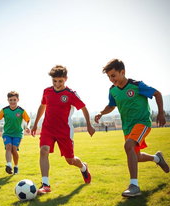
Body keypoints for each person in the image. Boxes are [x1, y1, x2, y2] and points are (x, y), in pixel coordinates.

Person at [95, 59, 169, 197]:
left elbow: (157, 93)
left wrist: (160, 112)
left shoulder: (137, 85)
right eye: (109, 77)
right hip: (127, 127)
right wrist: (101, 113)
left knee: (128, 146)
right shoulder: (113, 90)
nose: (111, 79)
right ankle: (157, 158)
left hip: (142, 123)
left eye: (113, 75)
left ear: (122, 72)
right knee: (137, 156)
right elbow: (111, 106)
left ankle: (134, 186)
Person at [31, 65, 95, 194]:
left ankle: (83, 167)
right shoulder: (47, 91)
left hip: (64, 131)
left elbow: (83, 108)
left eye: (60, 81)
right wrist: (35, 124)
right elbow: (42, 106)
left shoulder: (70, 94)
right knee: (44, 150)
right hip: (48, 128)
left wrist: (89, 124)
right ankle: (46, 185)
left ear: (66, 79)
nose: (57, 84)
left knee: (70, 160)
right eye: (54, 81)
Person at [0, 91, 30, 174]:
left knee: (14, 150)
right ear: (8, 100)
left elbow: (29, 120)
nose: (12, 102)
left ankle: (16, 166)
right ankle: (9, 164)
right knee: (8, 146)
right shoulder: (4, 110)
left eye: (14, 100)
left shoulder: (21, 110)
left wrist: (28, 127)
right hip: (7, 133)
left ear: (18, 100)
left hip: (18, 134)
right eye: (10, 100)